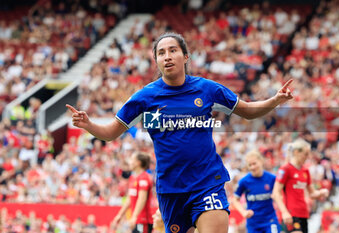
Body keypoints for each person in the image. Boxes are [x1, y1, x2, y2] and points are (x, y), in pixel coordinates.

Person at [66, 32, 293, 233]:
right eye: (161, 53)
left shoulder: (207, 89)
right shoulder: (145, 98)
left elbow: (248, 111)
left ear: (185, 57)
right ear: (156, 61)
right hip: (171, 189)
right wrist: (89, 125)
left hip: (207, 181)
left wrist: (275, 100)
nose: (167, 56)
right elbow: (110, 132)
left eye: (173, 50)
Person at [272, 138, 329, 233]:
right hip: (291, 213)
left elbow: (312, 193)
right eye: (305, 154)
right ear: (296, 152)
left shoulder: (305, 171)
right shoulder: (286, 169)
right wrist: (284, 212)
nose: (307, 157)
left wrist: (321, 192)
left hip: (303, 213)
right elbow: (276, 193)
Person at [232, 150, 280, 233]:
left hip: (270, 220)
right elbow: (235, 199)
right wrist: (243, 212)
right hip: (253, 223)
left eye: (254, 163)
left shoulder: (271, 178)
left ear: (261, 161)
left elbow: (279, 195)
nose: (252, 167)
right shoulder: (244, 181)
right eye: (250, 165)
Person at [112, 152, 153, 233]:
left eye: (131, 159)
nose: (129, 162)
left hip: (143, 220)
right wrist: (120, 215)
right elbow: (129, 199)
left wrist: (134, 216)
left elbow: (142, 199)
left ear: (138, 163)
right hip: (136, 220)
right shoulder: (133, 178)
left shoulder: (144, 178)